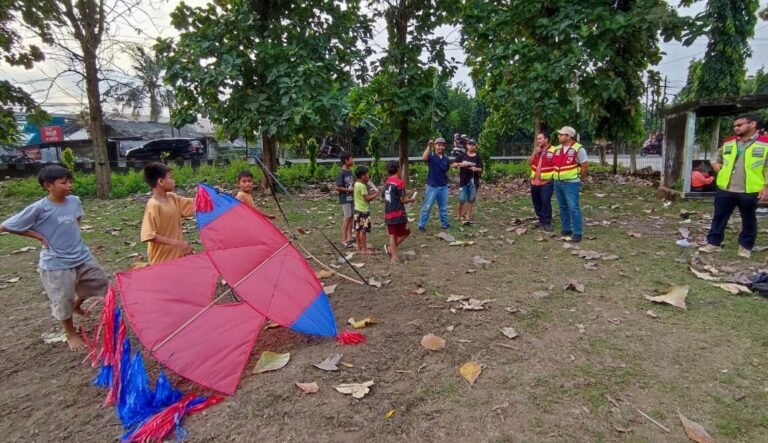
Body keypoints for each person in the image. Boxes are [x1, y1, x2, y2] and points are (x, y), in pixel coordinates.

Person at [0, 165, 108, 351]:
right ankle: (70, 332)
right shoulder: (39, 208)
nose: (69, 186)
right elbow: (6, 226)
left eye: (70, 181)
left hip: (81, 255)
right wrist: (38, 236)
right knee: (62, 298)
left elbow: (76, 220)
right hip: (56, 263)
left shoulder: (74, 201)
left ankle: (76, 305)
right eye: (64, 182)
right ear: (49, 185)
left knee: (99, 283)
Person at [699, 114, 768, 258]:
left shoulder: (765, 143)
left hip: (749, 189)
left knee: (748, 218)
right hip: (726, 188)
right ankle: (713, 243)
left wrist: (765, 186)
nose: (736, 128)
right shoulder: (729, 142)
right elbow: (716, 156)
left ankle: (745, 246)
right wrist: (714, 163)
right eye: (734, 126)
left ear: (752, 124)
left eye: (739, 125)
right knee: (719, 216)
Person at [140, 162, 195, 264]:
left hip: (177, 257)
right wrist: (178, 244)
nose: (174, 181)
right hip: (161, 261)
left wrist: (212, 196)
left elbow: (195, 204)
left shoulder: (172, 198)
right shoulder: (153, 205)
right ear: (161, 181)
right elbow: (149, 235)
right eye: (170, 178)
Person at [552, 126, 589, 242]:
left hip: (571, 183)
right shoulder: (557, 149)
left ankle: (577, 232)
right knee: (563, 206)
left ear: (569, 136)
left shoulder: (579, 149)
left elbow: (585, 165)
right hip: (557, 182)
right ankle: (566, 228)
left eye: (561, 134)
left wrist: (580, 177)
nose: (559, 136)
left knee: (573, 207)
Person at [383, 160, 416, 263]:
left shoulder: (387, 182)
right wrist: (411, 199)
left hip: (388, 212)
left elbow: (383, 195)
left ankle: (393, 255)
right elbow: (402, 200)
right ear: (398, 169)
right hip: (398, 213)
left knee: (393, 234)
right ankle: (392, 252)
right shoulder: (400, 183)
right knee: (406, 232)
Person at [418, 137, 451, 232]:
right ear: (435, 146)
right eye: (439, 145)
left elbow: (446, 171)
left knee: (443, 207)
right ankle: (421, 225)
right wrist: (429, 146)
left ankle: (445, 224)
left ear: (444, 147)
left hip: (443, 186)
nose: (441, 147)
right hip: (432, 186)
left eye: (442, 145)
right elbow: (423, 158)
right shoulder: (431, 156)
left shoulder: (446, 158)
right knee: (427, 206)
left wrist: (449, 180)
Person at [528, 131, 557, 231]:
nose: (538, 141)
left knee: (545, 201)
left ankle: (547, 222)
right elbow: (529, 163)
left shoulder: (554, 150)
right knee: (537, 202)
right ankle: (541, 220)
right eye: (537, 139)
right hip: (534, 182)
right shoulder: (537, 150)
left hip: (546, 182)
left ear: (546, 139)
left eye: (540, 139)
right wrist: (534, 152)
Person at [452, 138, 483, 225]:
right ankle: (458, 216)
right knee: (461, 199)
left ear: (475, 146)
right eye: (470, 144)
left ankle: (468, 216)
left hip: (474, 181)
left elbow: (481, 169)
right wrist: (461, 164)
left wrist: (475, 169)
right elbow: (453, 164)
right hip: (463, 181)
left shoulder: (478, 157)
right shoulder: (462, 156)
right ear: (466, 145)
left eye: (473, 145)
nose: (471, 146)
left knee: (471, 199)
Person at [353, 165, 379, 254]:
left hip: (357, 210)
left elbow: (362, 195)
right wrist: (376, 194)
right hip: (364, 211)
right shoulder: (363, 186)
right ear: (363, 176)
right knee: (363, 231)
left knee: (357, 229)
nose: (368, 176)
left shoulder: (356, 184)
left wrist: (371, 193)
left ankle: (358, 245)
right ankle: (364, 249)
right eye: (367, 174)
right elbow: (366, 198)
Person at [335, 151, 355, 246]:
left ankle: (349, 236)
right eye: (351, 159)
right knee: (347, 217)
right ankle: (344, 239)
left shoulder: (350, 171)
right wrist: (349, 190)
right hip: (345, 198)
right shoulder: (341, 173)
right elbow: (337, 187)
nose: (353, 160)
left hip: (351, 198)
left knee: (351, 216)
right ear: (346, 160)